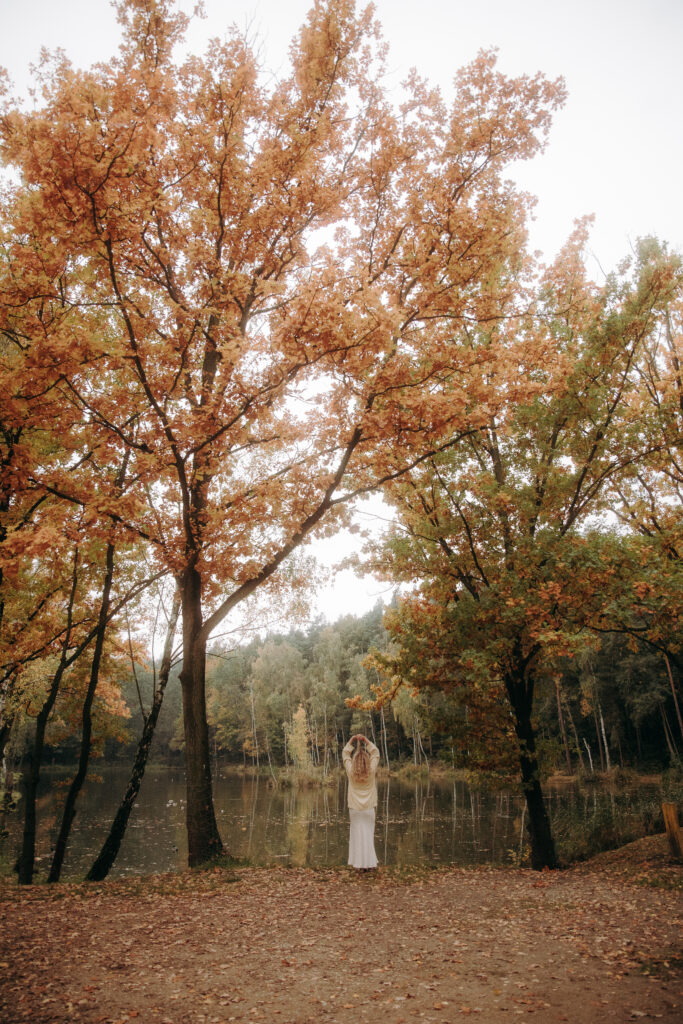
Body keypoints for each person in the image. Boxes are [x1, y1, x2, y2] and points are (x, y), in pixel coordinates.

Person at [342, 733, 380, 870]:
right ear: (367, 761)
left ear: (355, 761)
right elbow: (375, 753)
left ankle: (359, 864)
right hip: (369, 809)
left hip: (355, 809)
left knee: (357, 836)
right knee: (368, 836)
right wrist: (365, 740)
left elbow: (345, 754)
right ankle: (369, 864)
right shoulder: (371, 770)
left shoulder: (351, 771)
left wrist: (352, 740)